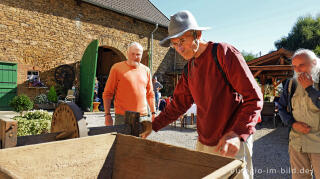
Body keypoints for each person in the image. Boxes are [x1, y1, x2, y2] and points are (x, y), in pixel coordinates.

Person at [140, 10, 263, 179]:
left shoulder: (223, 53)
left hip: (232, 141)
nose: (179, 48)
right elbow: (178, 105)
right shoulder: (189, 69)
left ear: (197, 35)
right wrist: (153, 125)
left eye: (182, 40)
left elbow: (254, 98)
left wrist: (237, 134)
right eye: (175, 44)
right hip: (204, 143)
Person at [278, 49, 320, 179]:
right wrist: (293, 124)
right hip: (297, 143)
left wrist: (310, 89)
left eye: (301, 65)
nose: (297, 70)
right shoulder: (291, 84)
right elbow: (281, 108)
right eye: (295, 66)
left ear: (314, 63)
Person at [102, 42, 156, 126]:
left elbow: (150, 94)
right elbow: (107, 93)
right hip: (123, 117)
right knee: (123, 139)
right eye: (132, 54)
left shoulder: (146, 70)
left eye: (138, 54)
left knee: (141, 139)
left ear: (142, 55)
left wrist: (153, 113)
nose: (135, 57)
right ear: (127, 54)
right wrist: (107, 115)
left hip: (143, 117)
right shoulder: (116, 68)